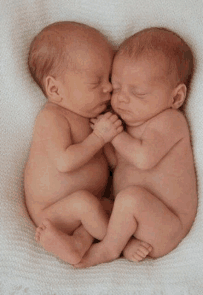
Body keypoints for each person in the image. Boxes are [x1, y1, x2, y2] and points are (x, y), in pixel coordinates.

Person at [75, 27, 198, 268]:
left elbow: (143, 159)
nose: (121, 99)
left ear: (176, 98)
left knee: (130, 199)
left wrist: (112, 135)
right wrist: (100, 139)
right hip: (132, 223)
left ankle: (109, 249)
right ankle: (78, 243)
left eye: (138, 92)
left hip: (166, 226)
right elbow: (117, 164)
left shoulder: (169, 121)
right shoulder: (127, 124)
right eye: (117, 87)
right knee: (93, 206)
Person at [24, 21, 123, 265]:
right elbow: (65, 162)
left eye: (108, 78)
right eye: (95, 83)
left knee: (111, 206)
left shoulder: (91, 117)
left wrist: (111, 140)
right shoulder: (52, 117)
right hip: (53, 213)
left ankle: (77, 245)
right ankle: (121, 244)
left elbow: (111, 163)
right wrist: (99, 137)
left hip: (84, 210)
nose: (109, 87)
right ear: (55, 89)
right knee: (86, 204)